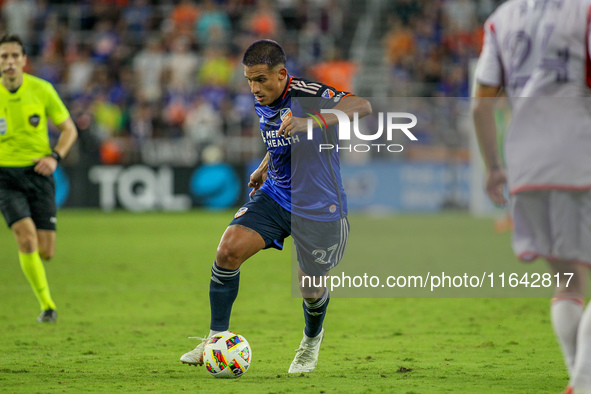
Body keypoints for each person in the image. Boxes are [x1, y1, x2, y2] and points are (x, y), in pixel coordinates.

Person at [180, 39, 371, 373]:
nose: (254, 88)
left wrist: (312, 122)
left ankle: (311, 342)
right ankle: (215, 339)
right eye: (249, 80)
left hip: (319, 208)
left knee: (309, 287)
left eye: (260, 80)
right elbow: (280, 134)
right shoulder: (263, 98)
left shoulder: (307, 95)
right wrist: (265, 166)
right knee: (227, 251)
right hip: (276, 195)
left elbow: (362, 106)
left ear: (282, 74)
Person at [472, 1, 591, 392]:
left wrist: (493, 166)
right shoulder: (584, 12)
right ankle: (584, 380)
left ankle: (578, 375)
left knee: (569, 282)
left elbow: (480, 104)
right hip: (579, 156)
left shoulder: (501, 19)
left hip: (526, 166)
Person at [0, 34, 78, 323]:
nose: (8, 62)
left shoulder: (42, 90)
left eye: (13, 56)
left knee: (46, 251)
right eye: (3, 56)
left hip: (39, 173)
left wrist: (55, 157)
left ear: (23, 60)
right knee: (26, 237)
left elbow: (69, 129)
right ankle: (47, 306)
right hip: (5, 176)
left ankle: (45, 299)